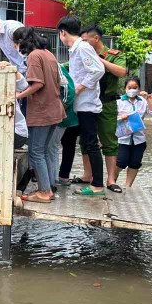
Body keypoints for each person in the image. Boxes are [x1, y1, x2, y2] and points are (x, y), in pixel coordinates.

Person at [13, 27, 65, 203]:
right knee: (42, 151)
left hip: (42, 111)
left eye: (16, 42)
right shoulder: (49, 54)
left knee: (35, 152)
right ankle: (46, 188)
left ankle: (44, 191)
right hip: (54, 110)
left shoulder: (34, 56)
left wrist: (17, 96)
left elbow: (37, 84)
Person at [58, 16, 106, 196]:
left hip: (87, 104)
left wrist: (80, 87)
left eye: (60, 34)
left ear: (63, 32)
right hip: (79, 104)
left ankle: (98, 185)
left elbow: (98, 70)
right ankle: (65, 176)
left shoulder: (83, 47)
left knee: (91, 143)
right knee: (71, 139)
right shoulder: (75, 49)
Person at [79, 25, 128, 193]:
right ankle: (87, 175)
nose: (83, 43)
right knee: (86, 140)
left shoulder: (114, 55)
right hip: (87, 103)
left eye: (85, 40)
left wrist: (100, 61)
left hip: (106, 103)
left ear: (96, 39)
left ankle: (111, 179)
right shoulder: (82, 54)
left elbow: (122, 72)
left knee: (109, 140)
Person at [116, 77, 152, 188]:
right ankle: (111, 182)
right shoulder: (119, 101)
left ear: (139, 89)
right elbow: (111, 118)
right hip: (122, 139)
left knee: (135, 163)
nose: (132, 90)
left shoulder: (142, 101)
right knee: (120, 162)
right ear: (125, 88)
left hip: (139, 139)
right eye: (129, 87)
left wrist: (148, 98)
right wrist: (121, 117)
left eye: (135, 87)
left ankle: (128, 186)